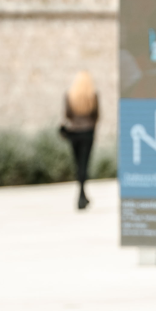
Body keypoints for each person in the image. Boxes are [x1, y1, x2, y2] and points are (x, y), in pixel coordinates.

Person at [62, 71, 98, 210]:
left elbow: (67, 115)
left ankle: (81, 195)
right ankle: (82, 196)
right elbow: (96, 116)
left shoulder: (70, 95)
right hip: (87, 133)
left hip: (74, 133)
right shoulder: (92, 96)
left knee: (78, 165)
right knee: (84, 164)